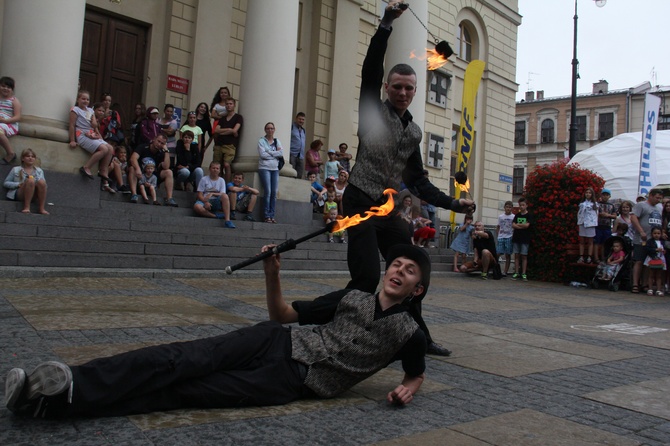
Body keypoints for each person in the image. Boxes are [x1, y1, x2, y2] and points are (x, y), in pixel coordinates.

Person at [4, 243, 429, 418]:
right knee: (180, 359)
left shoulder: (409, 333)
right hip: (274, 340)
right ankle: (73, 379)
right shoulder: (351, 296)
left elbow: (415, 371)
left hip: (294, 380)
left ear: (417, 288)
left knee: (187, 392)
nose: (398, 271)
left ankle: (53, 402)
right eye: (395, 264)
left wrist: (409, 387)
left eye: (408, 271)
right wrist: (272, 272)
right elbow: (281, 314)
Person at [342, 2, 473, 357]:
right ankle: (340, 327)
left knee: (416, 267)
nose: (402, 93)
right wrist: (386, 23)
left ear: (414, 91)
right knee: (368, 278)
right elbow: (371, 68)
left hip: (386, 211)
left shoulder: (413, 132)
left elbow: (419, 183)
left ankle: (419, 337)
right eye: (397, 87)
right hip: (358, 202)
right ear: (387, 88)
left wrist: (453, 202)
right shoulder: (372, 110)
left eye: (408, 88)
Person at [68, 91, 115, 191]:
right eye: (83, 99)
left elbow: (94, 126)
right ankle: (86, 167)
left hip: (91, 133)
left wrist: (98, 134)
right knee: (103, 149)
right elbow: (72, 125)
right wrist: (72, 140)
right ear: (78, 99)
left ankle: (103, 171)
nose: (85, 101)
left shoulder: (90, 111)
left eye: (87, 99)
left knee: (110, 148)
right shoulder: (75, 110)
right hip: (82, 134)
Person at [128, 134, 178, 207]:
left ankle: (169, 198)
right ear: (154, 139)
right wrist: (138, 168)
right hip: (140, 175)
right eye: (158, 141)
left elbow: (166, 166)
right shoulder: (143, 147)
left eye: (162, 143)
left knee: (169, 172)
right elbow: (133, 158)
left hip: (153, 177)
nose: (159, 144)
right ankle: (134, 194)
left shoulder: (161, 152)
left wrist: (166, 151)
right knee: (132, 168)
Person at [629, 188, 663, 294]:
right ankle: (635, 284)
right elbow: (633, 217)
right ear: (651, 196)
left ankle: (644, 284)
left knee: (648, 263)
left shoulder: (659, 207)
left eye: (660, 198)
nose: (659, 200)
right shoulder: (641, 205)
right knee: (639, 261)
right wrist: (641, 231)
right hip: (641, 239)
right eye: (657, 197)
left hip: (653, 240)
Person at [3, 148, 48, 214]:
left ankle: (41, 208)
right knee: (30, 181)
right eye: (28, 156)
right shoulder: (16, 169)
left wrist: (37, 184)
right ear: (23, 159)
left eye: (32, 156)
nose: (30, 158)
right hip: (20, 193)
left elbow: (44, 186)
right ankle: (26, 207)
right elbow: (6, 183)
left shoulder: (39, 171)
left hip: (34, 194)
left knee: (41, 182)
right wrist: (18, 184)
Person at [193, 161, 235, 228]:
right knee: (197, 207)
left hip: (216, 201)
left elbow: (222, 193)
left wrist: (212, 193)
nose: (215, 170)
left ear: (219, 170)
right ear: (210, 169)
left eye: (217, 168)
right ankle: (215, 216)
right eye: (213, 168)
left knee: (225, 196)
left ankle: (227, 220)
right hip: (204, 200)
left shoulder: (221, 180)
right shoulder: (204, 179)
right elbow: (199, 194)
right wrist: (205, 202)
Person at [212, 98, 242, 183]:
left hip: (230, 145)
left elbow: (235, 130)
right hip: (219, 144)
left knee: (226, 164)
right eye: (227, 104)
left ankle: (227, 185)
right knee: (217, 166)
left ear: (234, 105)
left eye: (230, 104)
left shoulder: (238, 117)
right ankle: (217, 184)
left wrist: (225, 132)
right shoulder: (222, 118)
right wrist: (229, 129)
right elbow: (216, 130)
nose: (229, 105)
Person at [257, 122, 283, 224]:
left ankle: (272, 215)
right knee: (267, 192)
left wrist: (269, 152)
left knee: (274, 193)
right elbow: (262, 155)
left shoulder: (277, 141)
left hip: (275, 169)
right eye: (268, 128)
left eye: (272, 128)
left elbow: (281, 154)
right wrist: (274, 154)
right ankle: (266, 215)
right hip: (264, 168)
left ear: (274, 129)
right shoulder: (261, 141)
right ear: (265, 130)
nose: (270, 130)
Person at [0, 76, 21, 165]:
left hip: (9, 124)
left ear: (12, 89)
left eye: (8, 87)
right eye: (3, 86)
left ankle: (10, 153)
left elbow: (18, 117)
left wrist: (5, 120)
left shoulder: (14, 101)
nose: (5, 89)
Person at [511, 197, 532, 281]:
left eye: (523, 205)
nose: (521, 207)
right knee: (516, 255)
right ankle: (516, 272)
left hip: (525, 238)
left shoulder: (529, 215)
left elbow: (527, 225)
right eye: (520, 205)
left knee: (524, 256)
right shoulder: (517, 215)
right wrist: (521, 226)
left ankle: (523, 273)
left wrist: (518, 225)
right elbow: (513, 225)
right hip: (517, 238)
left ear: (526, 206)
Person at [576, 188, 598, 264]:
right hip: (582, 223)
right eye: (586, 192)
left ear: (592, 194)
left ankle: (589, 257)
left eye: (589, 193)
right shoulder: (582, 204)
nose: (588, 194)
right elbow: (579, 213)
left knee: (590, 242)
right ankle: (581, 256)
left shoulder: (594, 204)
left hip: (590, 224)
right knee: (582, 241)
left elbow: (596, 214)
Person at [595, 188, 616, 263]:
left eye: (607, 195)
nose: (605, 196)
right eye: (604, 195)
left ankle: (603, 257)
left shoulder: (611, 205)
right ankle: (596, 257)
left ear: (609, 196)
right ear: (601, 195)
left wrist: (608, 215)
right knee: (596, 243)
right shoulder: (597, 204)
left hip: (607, 227)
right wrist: (600, 214)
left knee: (605, 243)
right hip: (598, 226)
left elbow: (615, 216)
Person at [643, 226, 666, 296]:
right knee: (651, 274)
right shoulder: (650, 241)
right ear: (652, 234)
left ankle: (658, 289)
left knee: (659, 275)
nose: (656, 235)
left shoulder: (662, 242)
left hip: (660, 259)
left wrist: (664, 251)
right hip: (652, 259)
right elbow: (646, 249)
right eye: (655, 233)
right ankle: (650, 289)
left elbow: (665, 249)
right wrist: (655, 250)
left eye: (658, 233)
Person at [496, 201, 515, 276]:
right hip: (501, 236)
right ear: (504, 208)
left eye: (510, 207)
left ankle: (505, 271)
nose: (508, 208)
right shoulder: (501, 217)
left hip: (509, 236)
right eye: (507, 207)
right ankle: (497, 268)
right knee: (498, 253)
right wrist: (498, 235)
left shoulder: (513, 217)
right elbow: (498, 226)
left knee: (508, 254)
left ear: (512, 208)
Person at [289, 112, 306, 179]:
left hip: (301, 156)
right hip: (292, 154)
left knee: (299, 174)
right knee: (291, 173)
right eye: (300, 119)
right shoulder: (291, 127)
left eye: (303, 119)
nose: (301, 121)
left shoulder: (303, 130)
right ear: (296, 119)